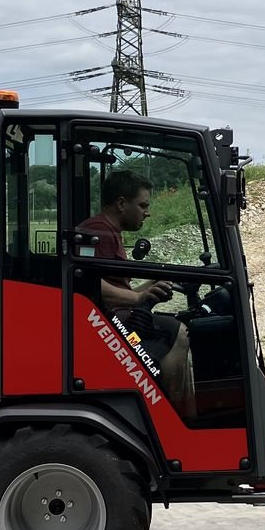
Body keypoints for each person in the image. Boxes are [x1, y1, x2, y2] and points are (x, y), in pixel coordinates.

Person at [78, 171, 197, 419]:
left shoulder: (110, 232)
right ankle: (172, 417)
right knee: (178, 333)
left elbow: (114, 288)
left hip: (113, 323)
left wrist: (148, 287)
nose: (147, 212)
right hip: (113, 332)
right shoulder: (98, 232)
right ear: (121, 204)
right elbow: (87, 285)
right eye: (143, 205)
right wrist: (139, 298)